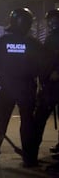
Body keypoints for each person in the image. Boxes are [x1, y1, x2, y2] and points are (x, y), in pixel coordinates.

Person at [0, 8, 47, 167]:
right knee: (27, 123)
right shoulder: (33, 43)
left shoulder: (2, 41)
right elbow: (42, 66)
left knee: (1, 122)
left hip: (7, 87)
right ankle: (29, 158)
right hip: (27, 88)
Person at [34, 9, 59, 160]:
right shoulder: (51, 36)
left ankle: (32, 151)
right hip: (49, 83)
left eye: (54, 19)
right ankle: (32, 150)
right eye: (50, 20)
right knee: (40, 117)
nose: (51, 22)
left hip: (55, 83)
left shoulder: (54, 36)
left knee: (40, 117)